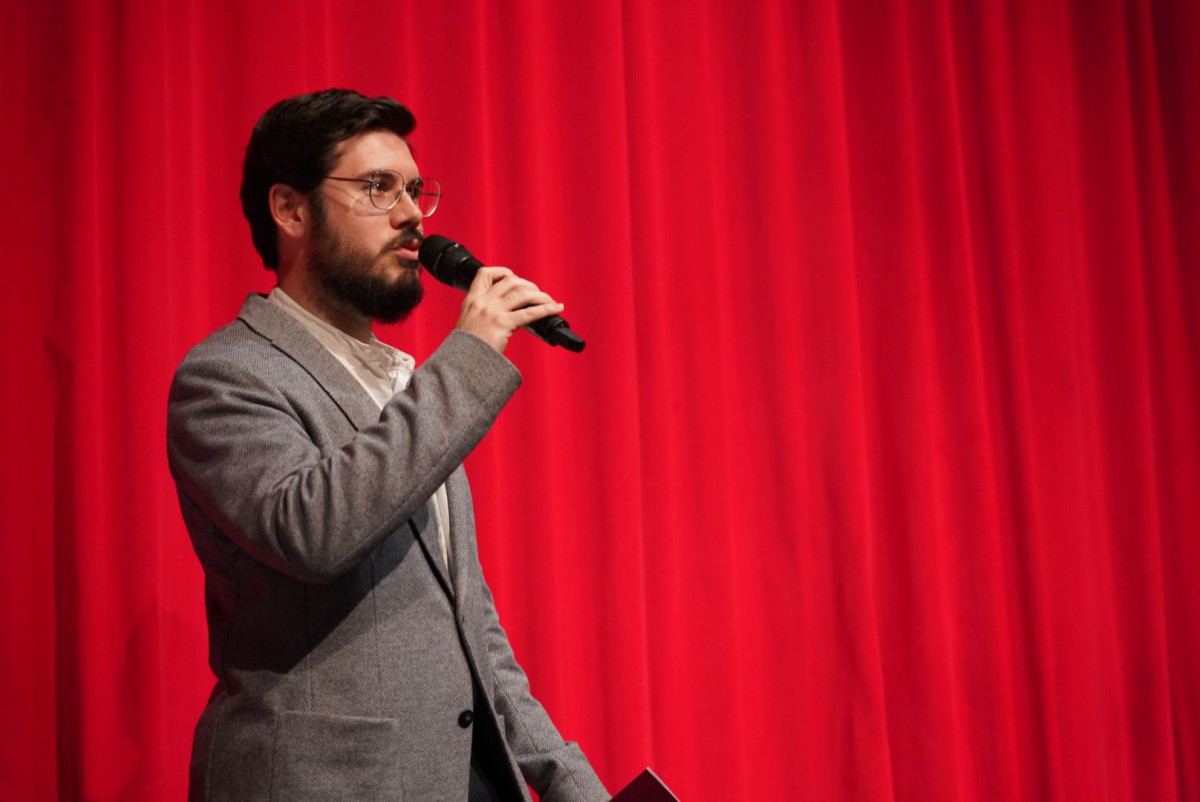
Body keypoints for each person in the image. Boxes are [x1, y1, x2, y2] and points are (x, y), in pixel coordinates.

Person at [166, 88, 610, 802]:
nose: (411, 215)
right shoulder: (227, 375)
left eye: (413, 189)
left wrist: (566, 781)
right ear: (291, 210)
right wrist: (469, 356)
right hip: (327, 783)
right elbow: (312, 532)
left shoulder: (404, 382)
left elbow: (469, 620)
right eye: (378, 187)